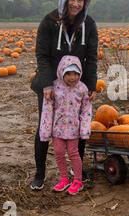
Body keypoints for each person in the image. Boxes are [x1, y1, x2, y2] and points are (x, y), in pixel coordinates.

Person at [30, 0, 98, 190]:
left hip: (77, 83)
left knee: (78, 125)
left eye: (81, 0)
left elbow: (92, 56)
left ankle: (75, 170)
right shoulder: (49, 22)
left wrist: (90, 85)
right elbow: (41, 55)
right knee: (45, 125)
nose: (77, 4)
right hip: (51, 83)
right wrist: (47, 85)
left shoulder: (89, 24)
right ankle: (40, 173)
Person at [39, 55, 92, 195]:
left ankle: (78, 180)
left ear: (80, 73)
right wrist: (45, 130)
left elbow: (86, 110)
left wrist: (85, 129)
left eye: (75, 73)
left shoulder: (82, 88)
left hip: (73, 128)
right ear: (61, 71)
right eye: (68, 73)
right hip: (58, 129)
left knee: (74, 154)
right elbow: (47, 109)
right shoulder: (55, 87)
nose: (72, 77)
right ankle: (64, 178)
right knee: (59, 153)